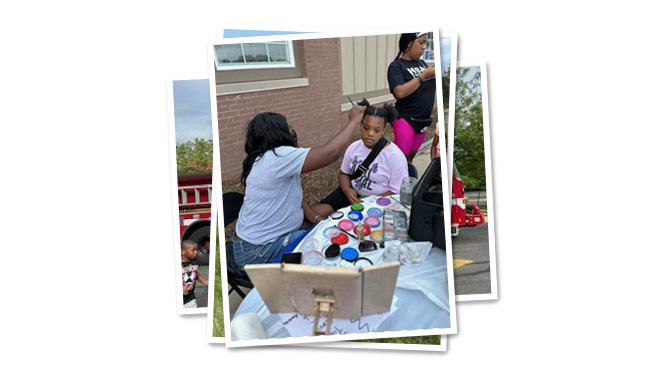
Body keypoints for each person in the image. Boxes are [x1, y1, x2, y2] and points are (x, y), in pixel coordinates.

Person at [232, 105, 366, 266]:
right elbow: (330, 153)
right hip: (257, 251)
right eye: (290, 130)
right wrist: (355, 119)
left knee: (329, 213)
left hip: (269, 236)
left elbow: (294, 198)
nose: (293, 133)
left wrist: (317, 219)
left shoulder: (263, 158)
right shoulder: (277, 157)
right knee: (322, 242)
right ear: (277, 134)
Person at [311, 99, 409, 217]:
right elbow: (343, 174)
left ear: (383, 131)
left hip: (379, 202)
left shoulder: (394, 156)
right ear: (360, 125)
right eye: (366, 128)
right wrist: (347, 190)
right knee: (315, 214)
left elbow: (396, 191)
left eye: (376, 130)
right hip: (351, 194)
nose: (370, 134)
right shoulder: (354, 147)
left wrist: (369, 201)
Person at [387, 32, 437, 163]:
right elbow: (400, 92)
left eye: (425, 43)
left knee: (410, 158)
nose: (423, 47)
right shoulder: (396, 66)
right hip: (405, 118)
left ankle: (406, 181)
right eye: (421, 42)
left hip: (423, 121)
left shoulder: (422, 63)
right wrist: (424, 76)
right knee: (400, 159)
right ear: (409, 43)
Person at [182, 240, 208, 308]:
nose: (196, 252)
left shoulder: (194, 262)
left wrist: (204, 281)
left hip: (190, 298)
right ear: (183, 252)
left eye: (196, 250)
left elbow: (195, 273)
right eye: (192, 250)